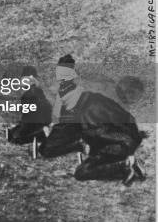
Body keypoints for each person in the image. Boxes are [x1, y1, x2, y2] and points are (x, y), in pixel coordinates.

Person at [39, 54, 146, 185]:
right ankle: (127, 168)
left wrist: (132, 139)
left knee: (79, 163)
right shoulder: (67, 109)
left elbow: (125, 119)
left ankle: (126, 164)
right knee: (80, 172)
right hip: (100, 147)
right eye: (60, 78)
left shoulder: (95, 102)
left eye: (66, 78)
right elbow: (59, 126)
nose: (62, 83)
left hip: (116, 146)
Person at [7, 66, 52, 144]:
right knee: (17, 131)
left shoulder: (29, 94)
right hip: (43, 119)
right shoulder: (38, 91)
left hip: (35, 121)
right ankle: (41, 133)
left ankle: (40, 135)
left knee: (18, 138)